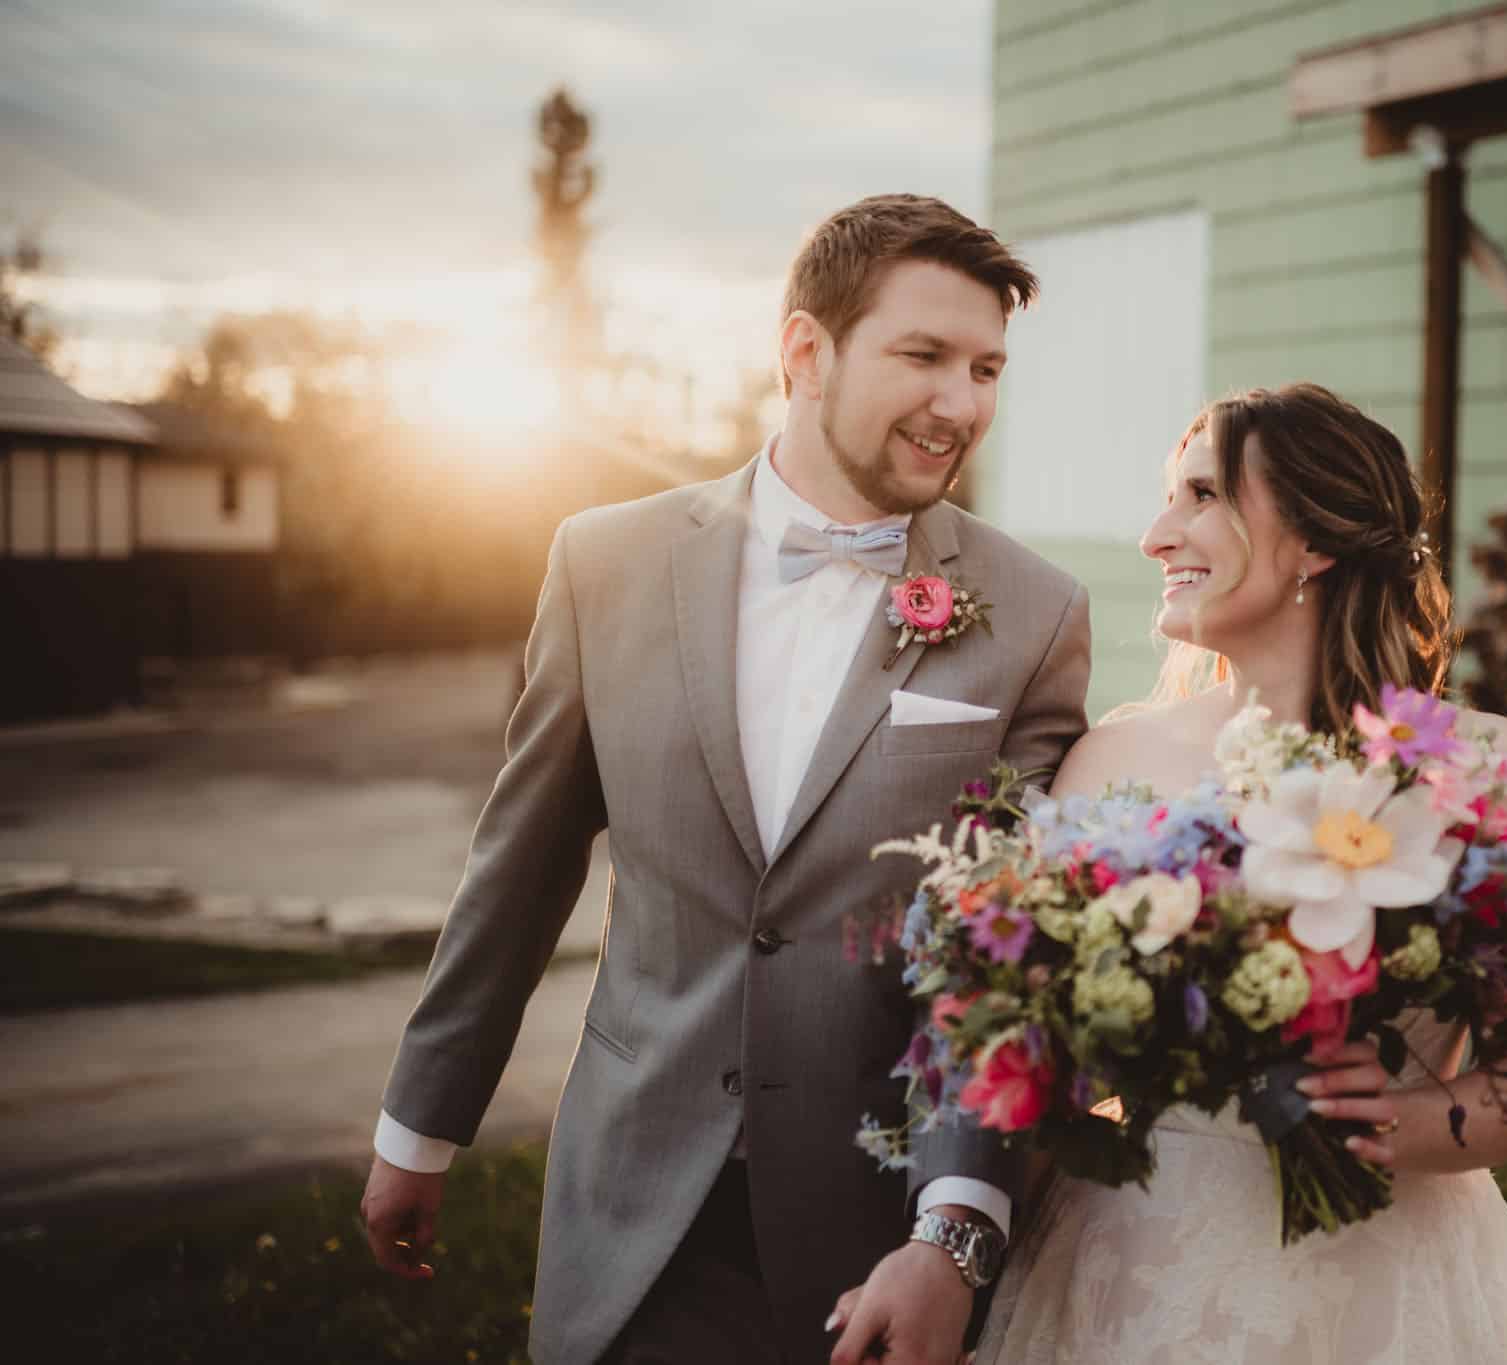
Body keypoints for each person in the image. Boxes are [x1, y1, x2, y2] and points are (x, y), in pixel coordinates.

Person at [359, 194, 1092, 1365]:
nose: (961, 403)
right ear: (805, 351)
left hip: (875, 1232)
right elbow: (521, 864)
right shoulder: (603, 562)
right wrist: (419, 1124)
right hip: (633, 1203)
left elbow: (1011, 961)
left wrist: (955, 1229)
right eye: (923, 356)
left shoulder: (1035, 611)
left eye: (985, 368)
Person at [969, 383, 1507, 1362]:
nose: (1154, 535)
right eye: (1164, 497)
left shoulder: (1485, 770)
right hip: (1128, 1268)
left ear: (1313, 543)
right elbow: (1056, 1054)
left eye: (1200, 496)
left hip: (1383, 1289)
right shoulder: (1112, 755)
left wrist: (1378, 1119)